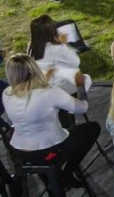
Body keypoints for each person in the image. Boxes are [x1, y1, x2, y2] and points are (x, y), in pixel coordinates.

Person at [2, 54, 100, 189]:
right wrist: (80, 85)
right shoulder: (49, 92)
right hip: (50, 149)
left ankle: (50, 179)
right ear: (34, 69)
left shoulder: (7, 93)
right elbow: (82, 107)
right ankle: (65, 175)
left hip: (19, 152)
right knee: (92, 128)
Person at [28, 14, 83, 95]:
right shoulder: (57, 49)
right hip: (63, 89)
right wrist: (64, 44)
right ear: (51, 31)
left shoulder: (30, 46)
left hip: (44, 85)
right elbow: (76, 62)